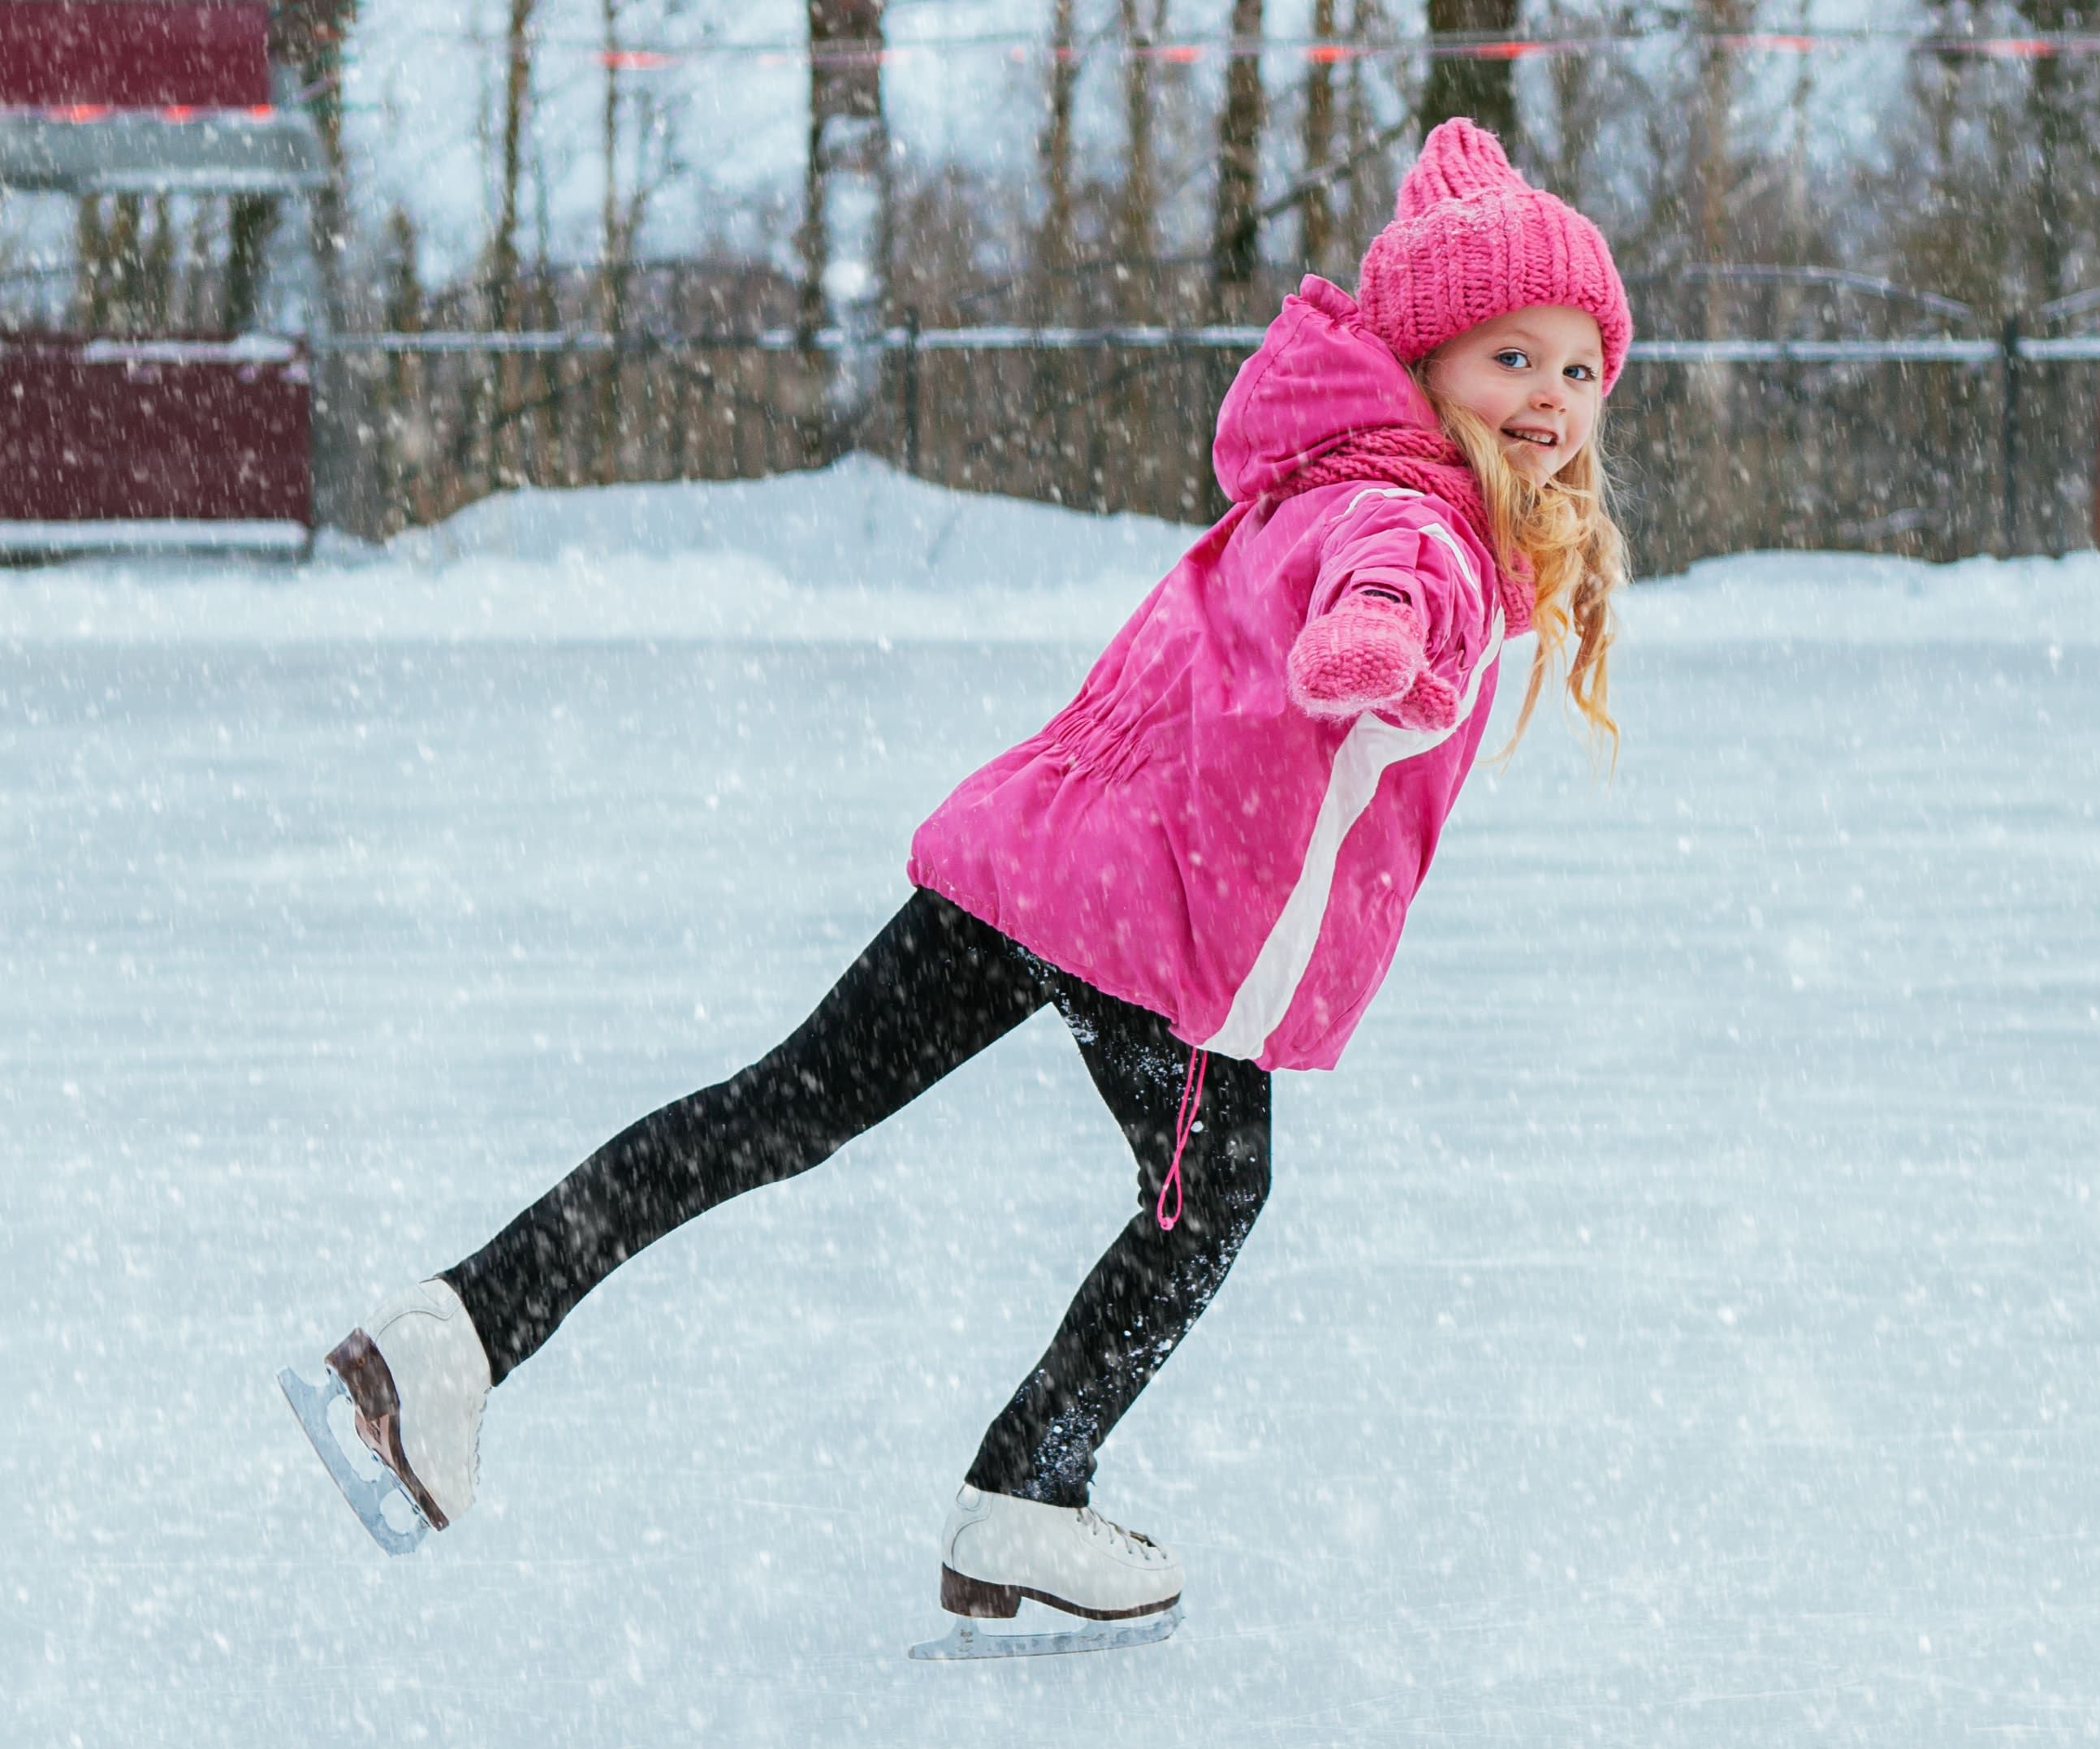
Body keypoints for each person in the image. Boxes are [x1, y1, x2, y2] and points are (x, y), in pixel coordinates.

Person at [281, 118, 1634, 1636]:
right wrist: (1378, 650)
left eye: (1578, 369)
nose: (1552, 402)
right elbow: (1390, 597)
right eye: (1511, 359)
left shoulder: (1322, 472)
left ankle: (451, 1331)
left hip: (1039, 850)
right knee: (1211, 1197)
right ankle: (1024, 1494)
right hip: (1156, 919)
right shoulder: (1409, 513)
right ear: (1428, 357)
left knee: (780, 1107)